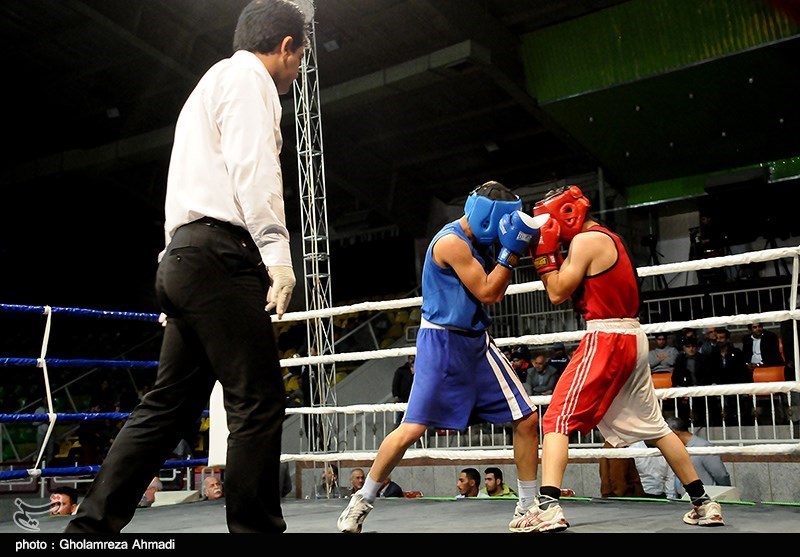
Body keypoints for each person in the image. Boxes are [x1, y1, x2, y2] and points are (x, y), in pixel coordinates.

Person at [65, 0, 309, 534]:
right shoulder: (250, 80)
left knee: (168, 404)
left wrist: (178, 268)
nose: (298, 70)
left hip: (184, 256)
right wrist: (276, 252)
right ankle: (257, 533)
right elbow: (254, 171)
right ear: (287, 47)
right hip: (220, 255)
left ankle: (89, 530)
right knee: (258, 400)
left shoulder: (209, 83)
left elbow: (189, 187)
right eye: (300, 57)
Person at [513, 185, 724, 533]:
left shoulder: (585, 241)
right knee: (655, 427)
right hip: (631, 336)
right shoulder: (608, 237)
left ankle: (548, 506)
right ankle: (704, 503)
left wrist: (544, 255)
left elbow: (556, 291)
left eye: (550, 221)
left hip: (607, 336)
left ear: (567, 215)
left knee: (556, 419)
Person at [337, 181, 544, 534]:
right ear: (488, 217)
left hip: (477, 344)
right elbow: (490, 292)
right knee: (412, 428)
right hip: (442, 344)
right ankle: (361, 501)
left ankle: (528, 506)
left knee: (526, 420)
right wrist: (511, 251)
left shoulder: (482, 240)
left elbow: (496, 285)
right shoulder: (451, 243)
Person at [667, 417, 731, 498]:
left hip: (703, 499)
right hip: (682, 500)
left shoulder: (703, 447)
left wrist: (725, 494)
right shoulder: (676, 449)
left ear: (675, 434)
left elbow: (721, 475)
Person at [391, 355, 415, 426]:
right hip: (403, 398)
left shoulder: (419, 370)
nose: (412, 360)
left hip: (414, 398)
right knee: (400, 418)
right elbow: (395, 383)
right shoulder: (401, 370)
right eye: (411, 358)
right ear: (408, 359)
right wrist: (396, 396)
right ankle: (397, 433)